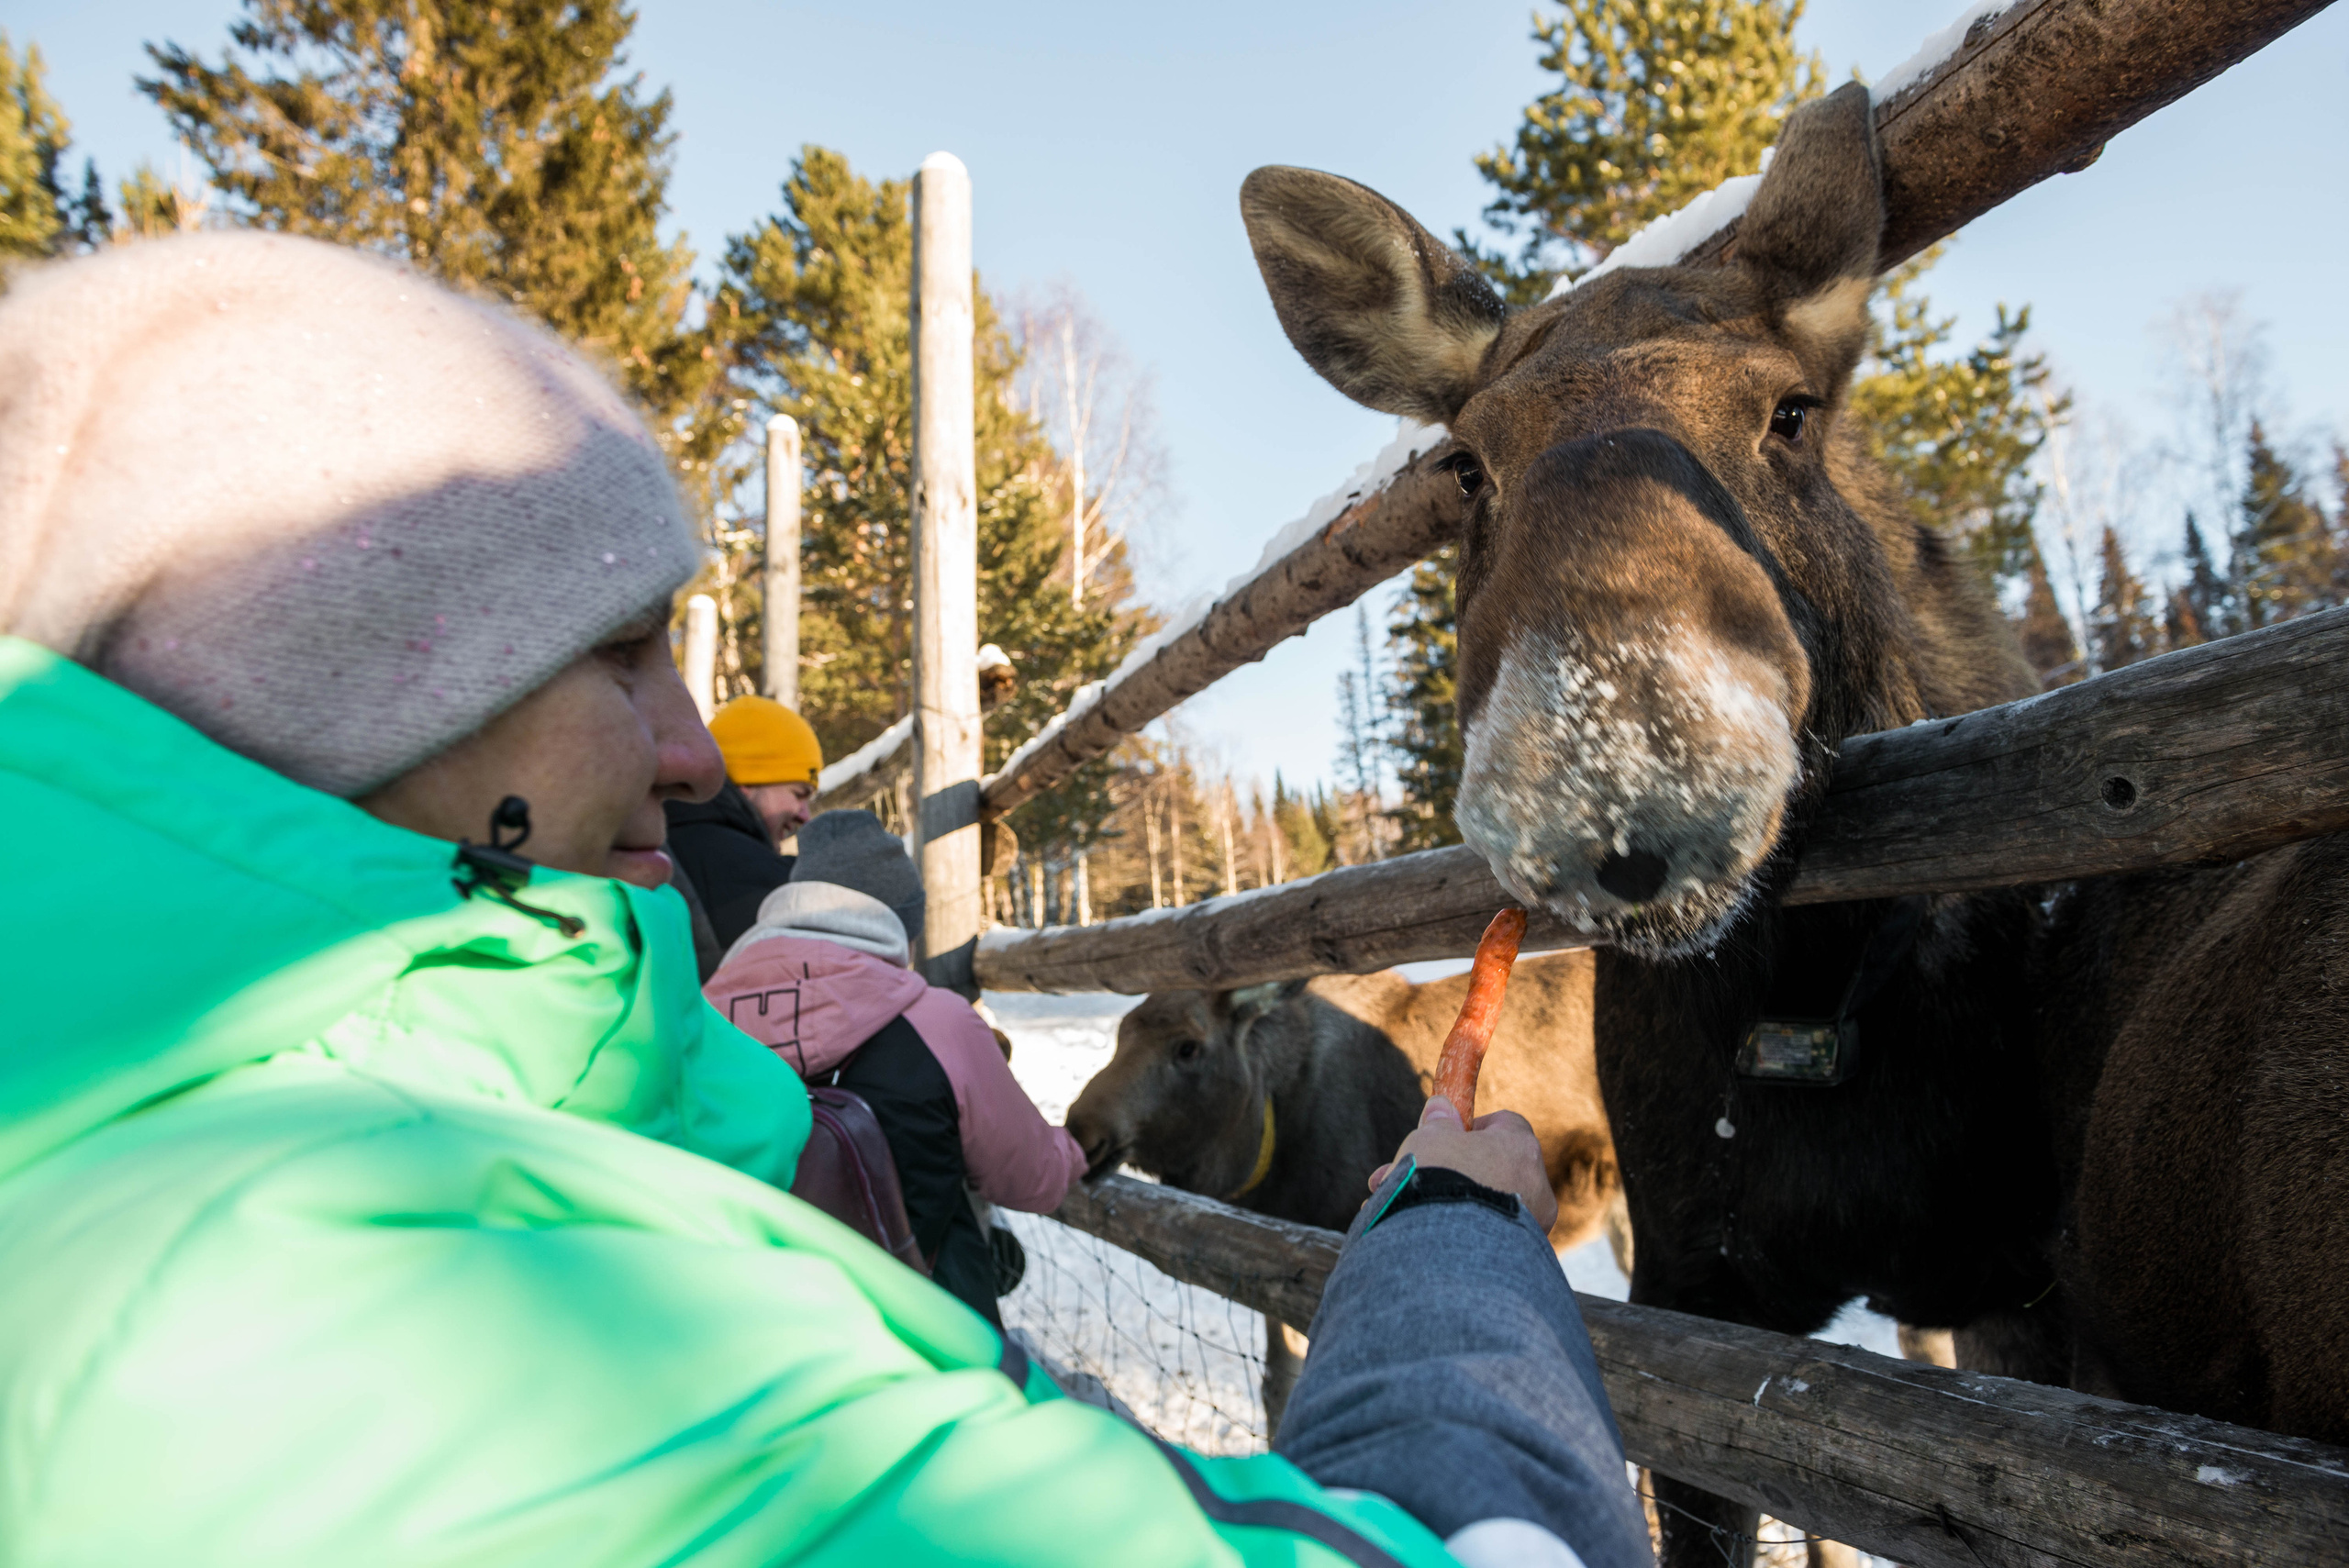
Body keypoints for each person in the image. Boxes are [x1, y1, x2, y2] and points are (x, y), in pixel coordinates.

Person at [0, 232, 1652, 1568]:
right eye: (619, 653)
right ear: (356, 686)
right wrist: (1454, 1238)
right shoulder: (402, 1296)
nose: (693, 752)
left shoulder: (186, 1163)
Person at [707, 809, 1083, 1321]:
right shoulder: (936, 1021)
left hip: (738, 1322)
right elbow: (1034, 1179)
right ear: (900, 925)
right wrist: (1079, 1147)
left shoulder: (702, 1012)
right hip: (917, 1336)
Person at [664, 693, 822, 951]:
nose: (804, 815)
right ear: (748, 782)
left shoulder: (655, 844)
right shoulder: (766, 885)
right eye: (799, 794)